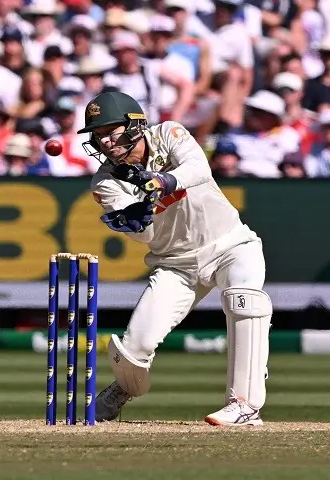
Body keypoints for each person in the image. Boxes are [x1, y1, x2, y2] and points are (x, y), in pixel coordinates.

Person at [78, 91, 271, 426]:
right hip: (176, 264)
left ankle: (245, 405)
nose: (105, 141)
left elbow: (198, 168)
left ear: (135, 125)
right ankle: (123, 389)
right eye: (98, 135)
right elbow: (145, 236)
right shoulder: (106, 181)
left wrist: (162, 181)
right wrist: (140, 219)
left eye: (111, 130)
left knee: (244, 302)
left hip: (231, 245)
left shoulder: (168, 135)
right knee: (132, 349)